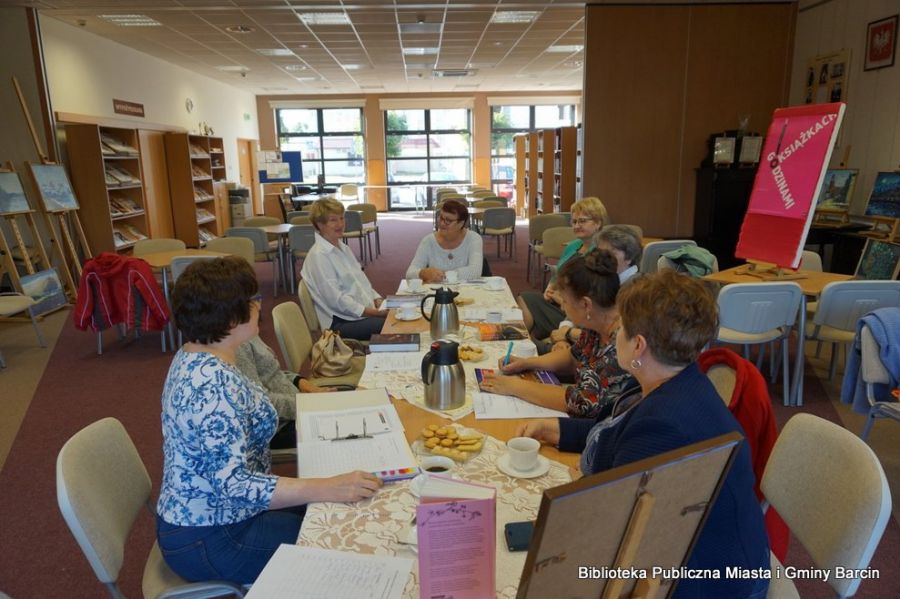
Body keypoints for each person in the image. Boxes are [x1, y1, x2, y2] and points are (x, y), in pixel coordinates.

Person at [516, 271, 770, 598]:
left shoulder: (663, 426)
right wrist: (557, 429)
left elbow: (616, 532)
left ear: (638, 345)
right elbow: (617, 428)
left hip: (709, 580)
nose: (614, 332)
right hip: (712, 550)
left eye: (621, 327)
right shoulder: (678, 379)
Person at [156, 256, 382, 584]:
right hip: (213, 536)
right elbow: (234, 485)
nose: (259, 306)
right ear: (230, 314)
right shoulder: (213, 384)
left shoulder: (201, 356)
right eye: (254, 300)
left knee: (341, 510)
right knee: (342, 536)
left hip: (225, 517)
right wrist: (327, 486)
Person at [478, 249, 638, 418]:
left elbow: (580, 401)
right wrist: (526, 363)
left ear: (586, 304)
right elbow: (573, 357)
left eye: (565, 301)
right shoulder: (598, 324)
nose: (562, 307)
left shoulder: (620, 343)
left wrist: (514, 387)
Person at [517, 197, 608, 343]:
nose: (577, 225)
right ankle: (520, 342)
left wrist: (562, 300)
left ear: (598, 223)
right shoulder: (573, 246)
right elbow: (557, 275)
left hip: (578, 312)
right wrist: (549, 289)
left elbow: (592, 296)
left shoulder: (601, 253)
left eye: (583, 221)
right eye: (574, 221)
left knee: (529, 303)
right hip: (560, 302)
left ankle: (530, 344)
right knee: (525, 298)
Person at [547, 224, 643, 354]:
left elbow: (610, 337)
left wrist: (567, 333)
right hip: (580, 343)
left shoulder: (635, 290)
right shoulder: (603, 277)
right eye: (599, 252)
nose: (601, 259)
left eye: (609, 254)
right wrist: (563, 333)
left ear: (629, 257)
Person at [301, 198, 387, 340]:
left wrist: (377, 299)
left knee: (398, 317)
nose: (340, 224)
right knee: (393, 325)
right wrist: (372, 313)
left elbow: (360, 281)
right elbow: (336, 300)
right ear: (320, 224)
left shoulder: (342, 247)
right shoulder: (319, 256)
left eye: (342, 218)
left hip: (357, 314)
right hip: (340, 322)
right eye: (333, 220)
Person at [405, 198, 484, 283]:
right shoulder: (428, 241)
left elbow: (475, 272)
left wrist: (441, 275)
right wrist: (422, 273)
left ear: (461, 223)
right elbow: (409, 274)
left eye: (448, 221)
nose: (442, 223)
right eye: (441, 218)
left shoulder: (473, 239)